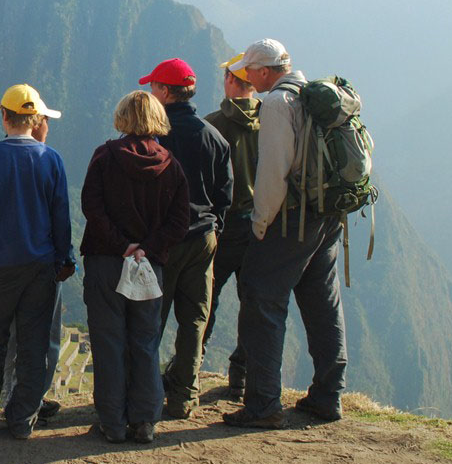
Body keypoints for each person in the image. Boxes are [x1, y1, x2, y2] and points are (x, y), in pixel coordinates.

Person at [223, 39, 348, 429]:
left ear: (264, 71)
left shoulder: (276, 105)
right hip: (327, 215)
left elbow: (273, 175)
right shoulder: (311, 95)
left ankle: (262, 405)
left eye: (250, 71)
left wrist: (260, 226)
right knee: (321, 301)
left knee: (262, 300)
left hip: (291, 219)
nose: (247, 77)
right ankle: (328, 397)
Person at [0, 83, 75, 440]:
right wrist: (64, 258)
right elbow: (61, 218)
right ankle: (23, 418)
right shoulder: (51, 159)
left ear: (5, 117)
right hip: (41, 268)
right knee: (34, 344)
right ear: (35, 118)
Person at [80, 90, 190, 444]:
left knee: (108, 340)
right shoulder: (171, 166)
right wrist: (147, 249)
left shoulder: (105, 157)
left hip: (107, 263)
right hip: (147, 266)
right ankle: (145, 420)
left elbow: (91, 208)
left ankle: (112, 422)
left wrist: (121, 245)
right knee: (145, 341)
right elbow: (179, 221)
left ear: (123, 117)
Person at [143, 57, 232, 419]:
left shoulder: (153, 138)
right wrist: (212, 228)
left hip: (163, 241)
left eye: (154, 87)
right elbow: (225, 194)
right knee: (194, 320)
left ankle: (145, 396)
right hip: (202, 239)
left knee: (151, 319)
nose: (151, 92)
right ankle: (184, 396)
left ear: (165, 92)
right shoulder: (214, 137)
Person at [202, 53, 260, 400]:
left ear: (230, 81)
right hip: (261, 227)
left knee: (205, 299)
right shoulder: (274, 122)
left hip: (223, 227)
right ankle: (242, 376)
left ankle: (190, 366)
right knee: (253, 302)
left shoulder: (213, 125)